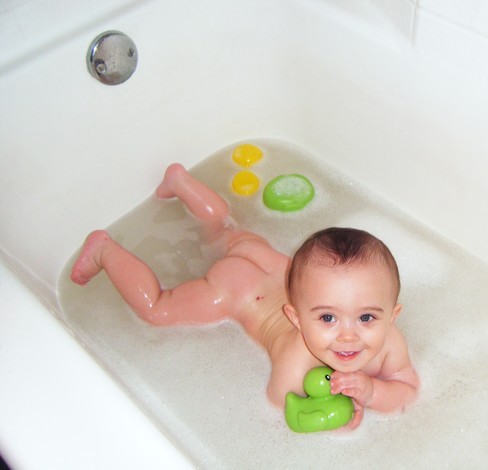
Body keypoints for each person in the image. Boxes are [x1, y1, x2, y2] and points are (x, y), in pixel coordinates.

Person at [71, 163, 418, 429]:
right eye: (327, 318)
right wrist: (336, 420)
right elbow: (283, 406)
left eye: (367, 317)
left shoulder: (390, 342)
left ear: (392, 315)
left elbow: (408, 387)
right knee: (157, 307)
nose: (348, 335)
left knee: (225, 230)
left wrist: (372, 392)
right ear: (295, 319)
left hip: (274, 265)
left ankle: (180, 181)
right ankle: (104, 250)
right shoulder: (297, 361)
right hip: (237, 291)